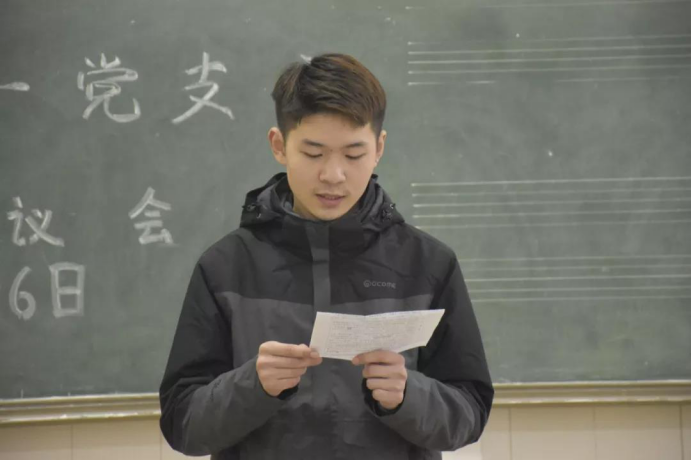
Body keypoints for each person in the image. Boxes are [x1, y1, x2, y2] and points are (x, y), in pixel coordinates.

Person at [159, 52, 494, 460]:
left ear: (378, 149)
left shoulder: (428, 264)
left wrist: (409, 395)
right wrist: (253, 386)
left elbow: (470, 412)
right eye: (314, 153)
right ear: (279, 145)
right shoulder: (226, 268)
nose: (333, 175)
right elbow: (182, 424)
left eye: (353, 155)